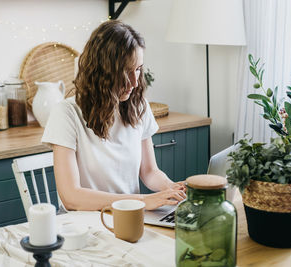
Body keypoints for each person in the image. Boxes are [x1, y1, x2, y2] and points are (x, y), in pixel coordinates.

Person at [41, 20, 186, 211]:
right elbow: (71, 196)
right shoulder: (67, 113)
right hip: (84, 222)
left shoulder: (137, 106)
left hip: (130, 215)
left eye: (138, 69)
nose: (135, 82)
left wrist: (170, 187)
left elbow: (149, 171)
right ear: (102, 72)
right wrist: (143, 201)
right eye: (126, 72)